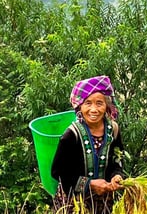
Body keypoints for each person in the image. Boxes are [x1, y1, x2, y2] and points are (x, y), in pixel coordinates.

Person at [51, 75, 125, 213]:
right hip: (74, 203)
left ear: (107, 106)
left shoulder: (113, 130)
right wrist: (89, 184)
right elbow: (58, 172)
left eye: (99, 103)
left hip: (103, 202)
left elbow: (118, 159)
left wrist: (117, 175)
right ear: (80, 106)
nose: (94, 109)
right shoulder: (71, 135)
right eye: (88, 103)